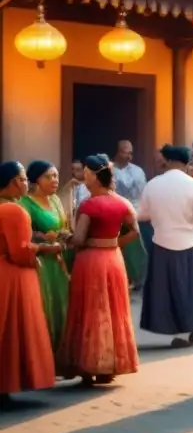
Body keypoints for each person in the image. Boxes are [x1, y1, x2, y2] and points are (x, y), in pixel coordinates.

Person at [59, 154, 140, 385]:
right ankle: (108, 367)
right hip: (113, 259)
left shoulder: (89, 205)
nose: (84, 177)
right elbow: (134, 231)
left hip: (91, 261)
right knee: (114, 310)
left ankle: (87, 366)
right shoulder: (122, 202)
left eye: (86, 173)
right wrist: (113, 244)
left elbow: (79, 239)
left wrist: (66, 236)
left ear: (95, 176)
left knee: (90, 310)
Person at [138, 145, 193, 349]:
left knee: (167, 290)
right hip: (189, 241)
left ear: (167, 161)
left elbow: (142, 214)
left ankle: (176, 331)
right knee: (191, 287)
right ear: (186, 163)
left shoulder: (153, 184)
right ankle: (192, 328)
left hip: (162, 241)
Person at [0, 161, 60, 406]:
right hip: (12, 275)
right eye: (24, 178)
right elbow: (20, 252)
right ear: (16, 181)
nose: (26, 183)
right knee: (13, 330)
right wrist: (42, 250)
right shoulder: (14, 211)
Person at [20, 161, 72, 359]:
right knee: (45, 306)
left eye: (56, 176)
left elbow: (63, 225)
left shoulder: (56, 200)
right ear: (36, 180)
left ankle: (60, 356)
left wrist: (64, 234)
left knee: (62, 305)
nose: (54, 180)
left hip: (59, 260)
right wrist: (41, 237)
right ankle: (42, 357)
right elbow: (23, 234)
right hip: (41, 262)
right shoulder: (25, 203)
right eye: (48, 177)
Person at [112, 139, 148, 291]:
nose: (128, 156)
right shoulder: (109, 169)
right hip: (113, 214)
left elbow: (143, 194)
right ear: (117, 152)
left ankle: (138, 280)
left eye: (130, 153)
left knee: (136, 249)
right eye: (124, 152)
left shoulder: (138, 171)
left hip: (134, 215)